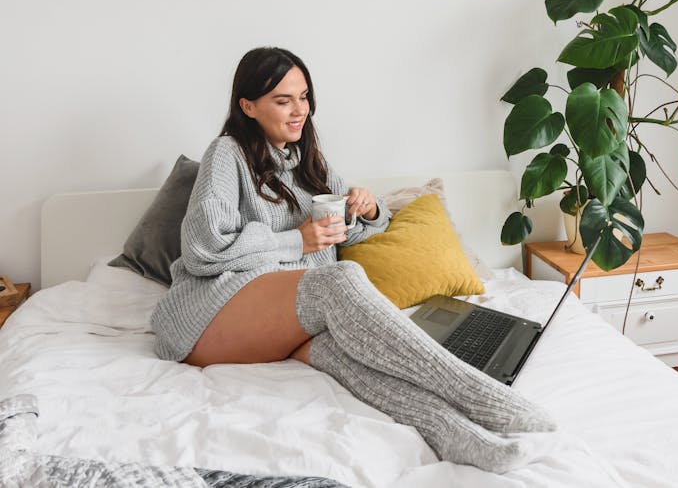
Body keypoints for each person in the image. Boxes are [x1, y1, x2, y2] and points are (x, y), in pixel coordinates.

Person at [151, 47, 555, 475]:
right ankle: (480, 394)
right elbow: (202, 246)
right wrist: (297, 241)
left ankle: (465, 437)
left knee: (350, 354)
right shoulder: (226, 154)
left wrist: (369, 208)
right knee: (339, 278)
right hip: (208, 316)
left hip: (276, 316)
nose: (299, 111)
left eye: (303, 97)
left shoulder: (308, 160)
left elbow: (354, 230)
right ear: (247, 106)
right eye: (283, 100)